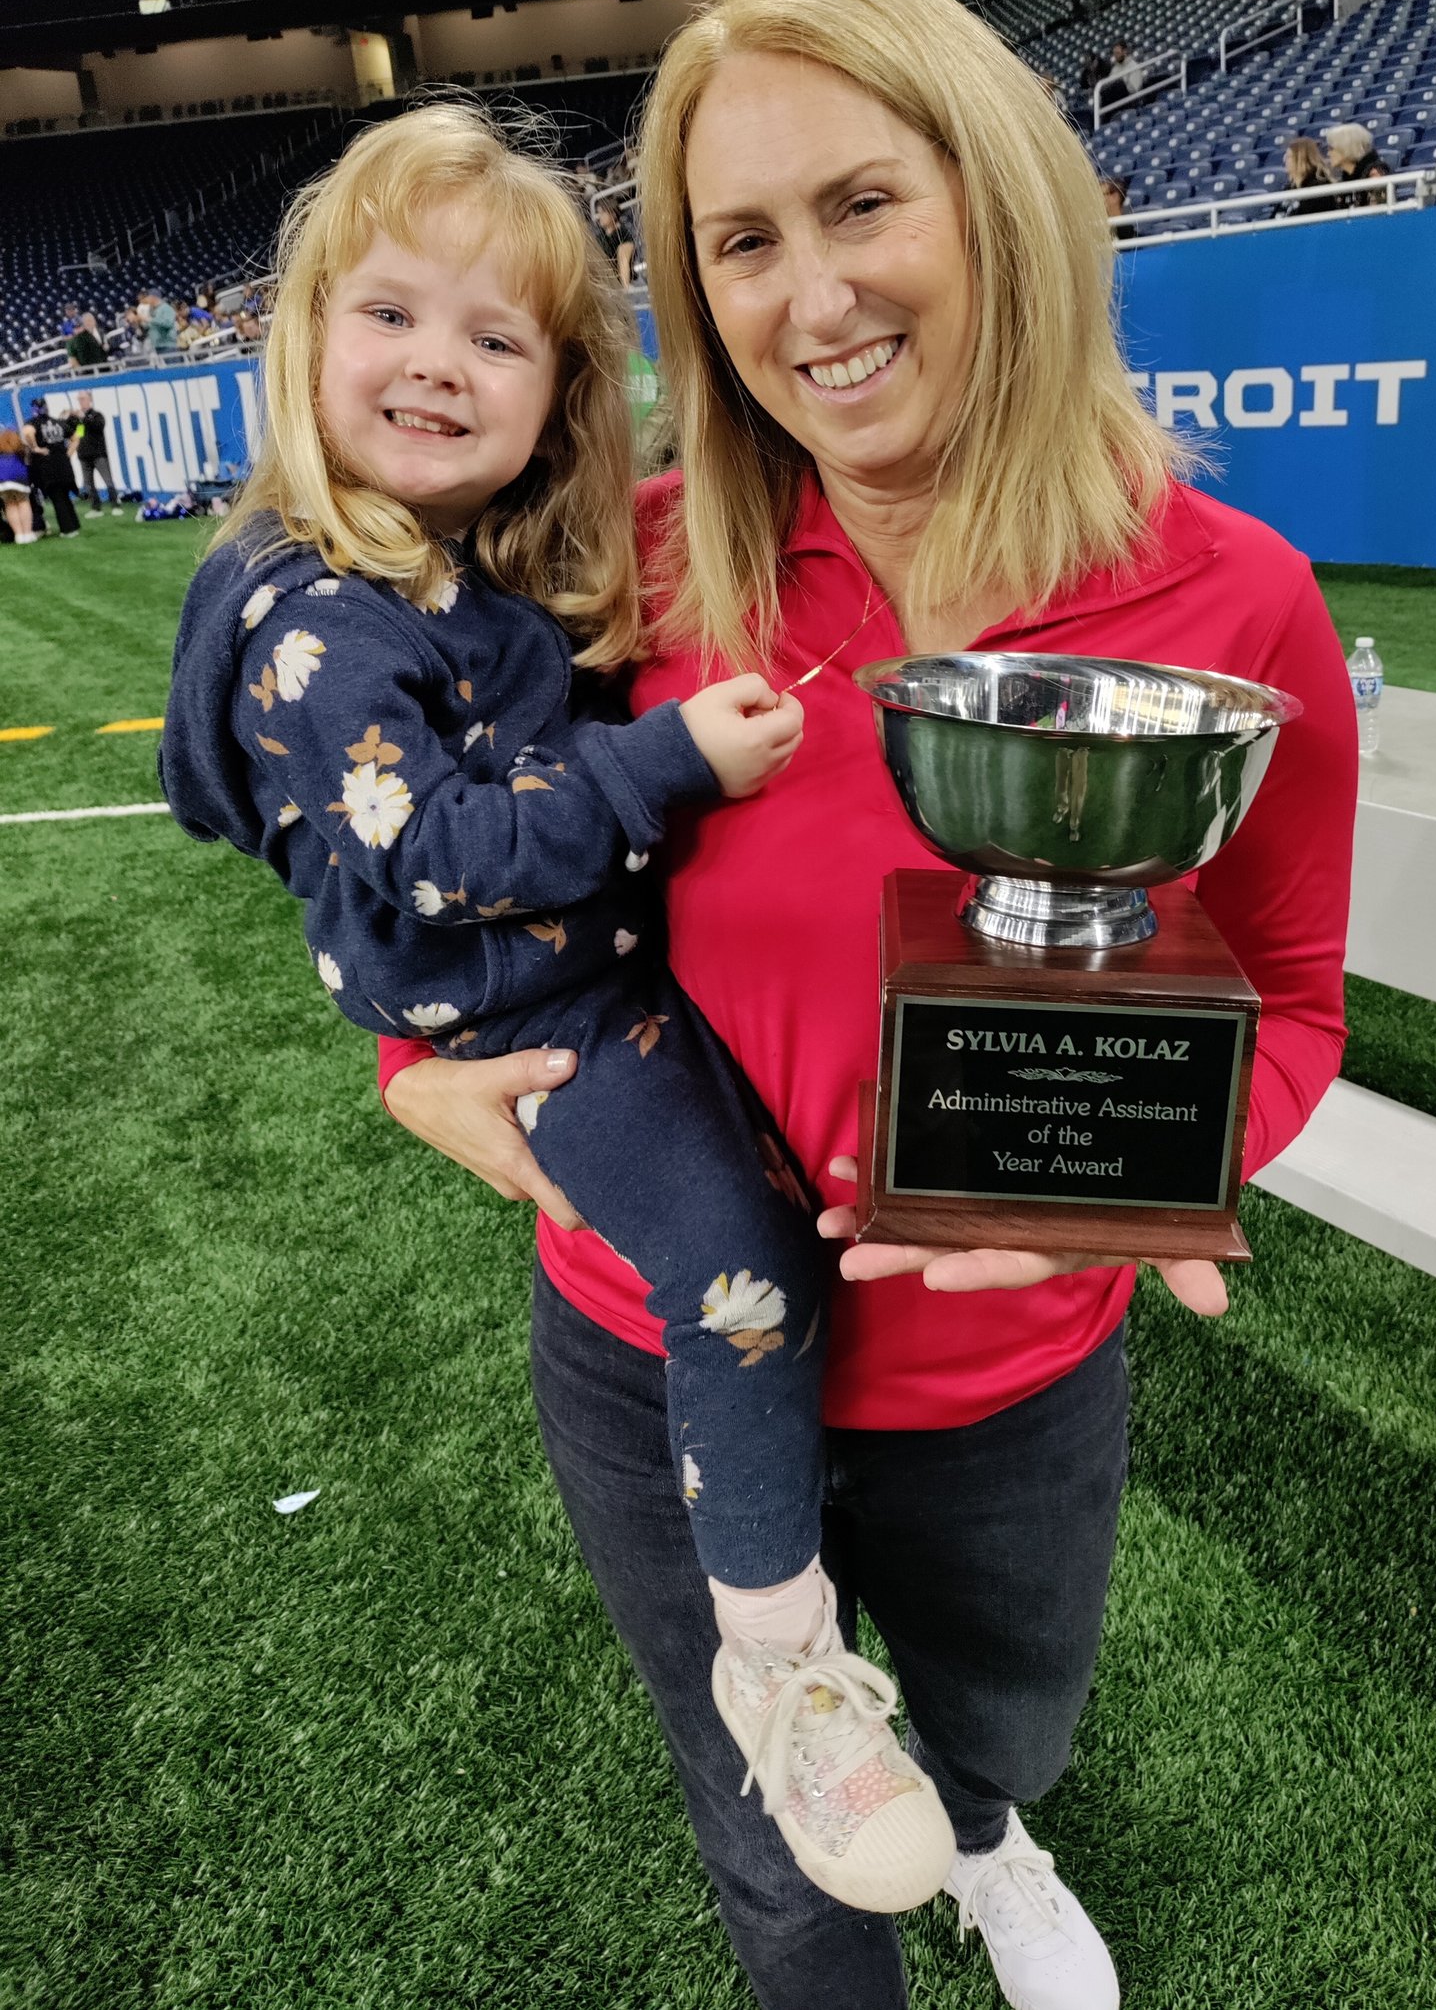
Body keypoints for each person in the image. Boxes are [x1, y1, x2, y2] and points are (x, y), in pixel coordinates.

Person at [377, 0, 1358, 2010]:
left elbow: (1287, 993)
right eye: (741, 241)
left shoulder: (1233, 595)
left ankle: (990, 1829)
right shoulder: (630, 572)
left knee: (1003, 1731)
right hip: (652, 1347)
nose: (810, 298)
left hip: (1008, 1376)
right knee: (776, 1850)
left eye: (859, 204)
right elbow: (448, 866)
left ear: (996, 199)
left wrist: (1148, 1176)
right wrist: (412, 1056)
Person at [159, 101, 957, 1919]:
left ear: (560, 394)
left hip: (590, 986)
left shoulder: (452, 563)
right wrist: (668, 760)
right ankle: (779, 1656)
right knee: (743, 1279)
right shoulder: (318, 617)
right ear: (304, 339)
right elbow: (439, 855)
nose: (438, 362)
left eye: (496, 336)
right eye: (391, 313)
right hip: (558, 1013)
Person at [23, 398, 80, 538]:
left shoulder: (33, 423)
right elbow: (77, 436)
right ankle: (74, 525)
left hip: (47, 466)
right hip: (64, 465)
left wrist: (35, 448)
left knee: (57, 497)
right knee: (65, 496)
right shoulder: (58, 422)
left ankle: (67, 529)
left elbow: (28, 432)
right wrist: (68, 454)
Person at [1324, 122, 1390, 205]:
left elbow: (1377, 209)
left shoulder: (1374, 174)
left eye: (1331, 148)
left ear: (1346, 148)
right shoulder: (1347, 177)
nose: (1328, 153)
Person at [72, 391, 114, 508]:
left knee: (107, 480)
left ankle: (115, 504)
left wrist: (84, 418)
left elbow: (97, 427)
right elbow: (79, 434)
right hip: (84, 455)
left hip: (98, 454)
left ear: (89, 399)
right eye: (79, 399)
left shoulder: (97, 415)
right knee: (89, 484)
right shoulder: (79, 419)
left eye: (83, 399)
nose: (81, 401)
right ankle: (96, 506)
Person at [0, 428, 41, 542]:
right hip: (19, 479)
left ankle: (19, 535)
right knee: (23, 503)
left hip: (2, 481)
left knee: (10, 505)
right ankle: (27, 533)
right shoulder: (20, 449)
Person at [1282, 137, 1342, 216]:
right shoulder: (1290, 187)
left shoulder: (1318, 188)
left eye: (1289, 157)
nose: (1285, 160)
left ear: (1301, 159)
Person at [593, 198, 636, 287]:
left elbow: (624, 261)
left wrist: (624, 288)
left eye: (602, 213)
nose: (600, 217)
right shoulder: (600, 237)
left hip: (621, 283)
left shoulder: (623, 235)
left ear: (612, 214)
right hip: (607, 283)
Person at [1100, 174, 1134, 238]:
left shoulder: (1127, 231)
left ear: (1114, 196)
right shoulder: (1098, 227)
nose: (1096, 198)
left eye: (1101, 194)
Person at [145, 288, 178, 354]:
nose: (146, 299)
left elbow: (168, 324)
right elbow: (151, 326)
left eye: (147, 297)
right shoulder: (153, 310)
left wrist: (151, 320)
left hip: (168, 345)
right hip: (158, 345)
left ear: (153, 297)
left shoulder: (166, 308)